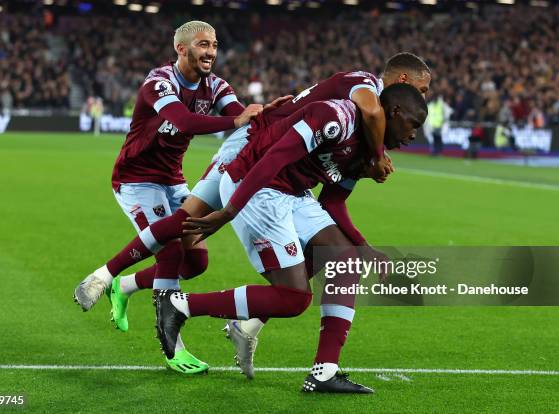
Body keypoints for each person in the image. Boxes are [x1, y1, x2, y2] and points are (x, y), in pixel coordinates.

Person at [156, 83, 428, 393]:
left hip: (293, 192)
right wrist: (229, 211)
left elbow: (333, 202)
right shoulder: (335, 118)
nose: (414, 134)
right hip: (254, 184)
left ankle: (324, 372)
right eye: (413, 124)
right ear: (393, 113)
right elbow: (271, 159)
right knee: (295, 298)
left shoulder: (367, 149)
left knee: (347, 260)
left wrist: (365, 248)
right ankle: (180, 304)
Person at [73, 20, 268, 374]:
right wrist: (238, 121)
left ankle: (124, 284)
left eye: (214, 45)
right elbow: (185, 121)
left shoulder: (216, 85)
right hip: (136, 179)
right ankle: (172, 348)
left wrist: (259, 119)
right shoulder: (159, 82)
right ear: (182, 49)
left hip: (173, 180)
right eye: (203, 45)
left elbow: (240, 115)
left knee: (196, 262)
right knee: (172, 250)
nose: (210, 51)